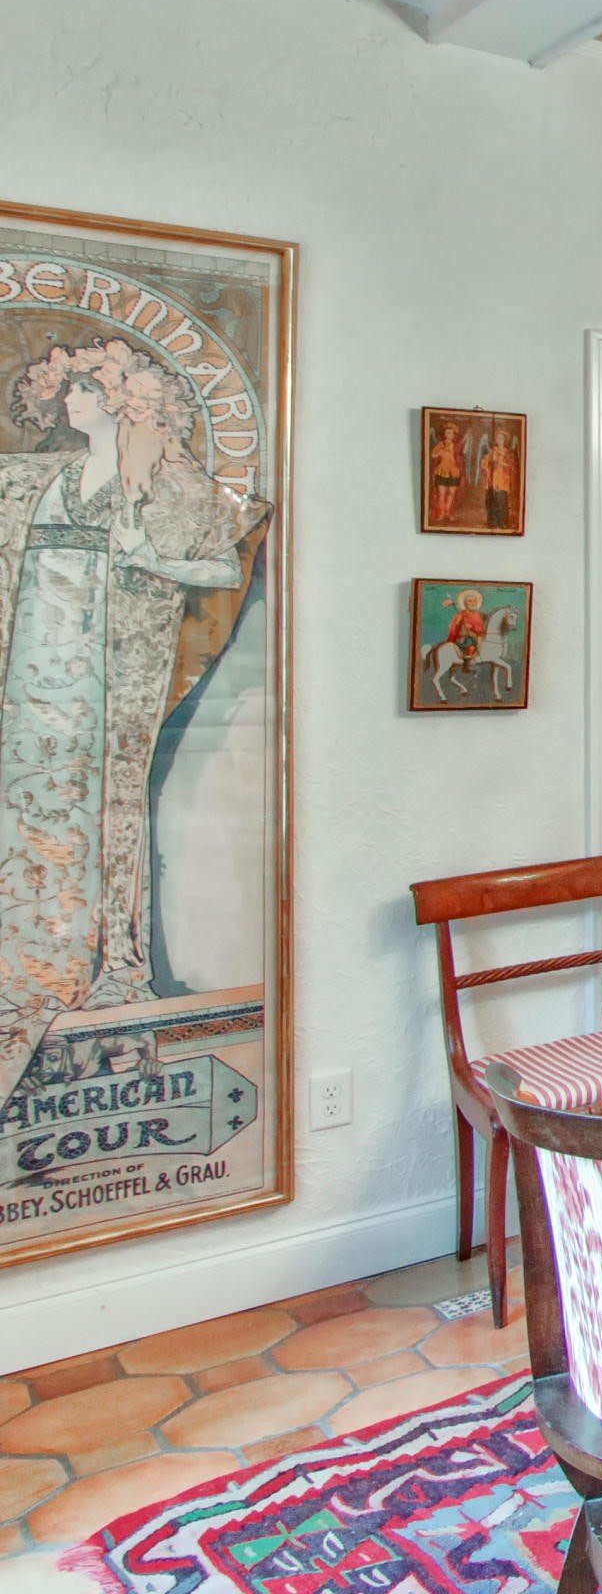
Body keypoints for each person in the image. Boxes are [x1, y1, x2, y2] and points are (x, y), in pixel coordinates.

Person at [0, 337, 263, 1110]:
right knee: (27, 806)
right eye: (67, 391)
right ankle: (28, 951)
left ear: (124, 401)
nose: (71, 403)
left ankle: (104, 958)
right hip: (35, 667)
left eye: (86, 390)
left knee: (103, 811)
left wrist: (147, 554)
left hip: (108, 667)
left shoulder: (163, 481)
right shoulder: (40, 477)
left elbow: (220, 565)